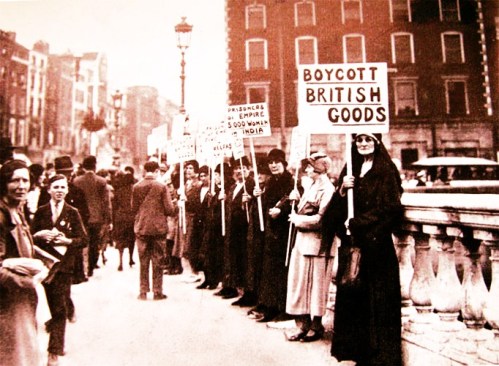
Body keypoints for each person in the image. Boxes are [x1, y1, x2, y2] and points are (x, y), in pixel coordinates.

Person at [326, 133, 403, 365]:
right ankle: (357, 352)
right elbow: (335, 213)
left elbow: (391, 208)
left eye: (368, 140)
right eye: (359, 140)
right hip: (356, 245)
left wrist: (361, 224)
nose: (363, 144)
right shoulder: (351, 169)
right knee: (355, 297)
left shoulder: (386, 170)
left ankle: (380, 357)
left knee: (378, 300)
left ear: (377, 143)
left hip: (376, 245)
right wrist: (342, 191)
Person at [31, 174, 88, 366]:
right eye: (56, 187)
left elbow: (83, 239)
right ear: (48, 190)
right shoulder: (41, 212)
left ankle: (53, 351)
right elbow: (29, 237)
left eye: (63, 187)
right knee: (43, 307)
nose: (59, 191)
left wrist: (67, 241)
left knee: (59, 309)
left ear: (67, 190)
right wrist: (38, 235)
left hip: (64, 267)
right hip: (45, 268)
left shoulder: (73, 213)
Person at [284, 152, 335, 342]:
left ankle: (316, 325)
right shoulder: (311, 186)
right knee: (300, 286)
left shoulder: (327, 189)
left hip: (318, 245)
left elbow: (322, 220)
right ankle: (302, 324)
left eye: (310, 166)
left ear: (320, 169)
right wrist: (296, 202)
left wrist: (298, 220)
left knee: (316, 287)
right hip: (303, 244)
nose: (306, 169)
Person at [0, 159, 46, 366]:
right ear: (4, 184)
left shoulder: (16, 210)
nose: (21, 186)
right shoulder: (1, 215)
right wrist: (27, 282)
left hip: (20, 299)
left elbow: (21, 247)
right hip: (7, 300)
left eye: (25, 181)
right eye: (15, 181)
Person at [248, 149, 295, 324]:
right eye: (270, 162)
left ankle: (283, 308)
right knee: (270, 271)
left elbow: (294, 203)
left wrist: (281, 211)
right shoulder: (272, 183)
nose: (273, 165)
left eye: (276, 162)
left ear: (284, 163)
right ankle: (270, 306)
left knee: (282, 271)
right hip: (271, 233)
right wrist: (258, 197)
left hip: (284, 233)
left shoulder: (291, 181)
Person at [131, 160, 174, 300]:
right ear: (156, 171)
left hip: (142, 227)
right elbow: (169, 209)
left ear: (145, 170)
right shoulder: (161, 186)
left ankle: (143, 291)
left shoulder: (136, 186)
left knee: (143, 260)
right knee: (158, 260)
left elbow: (133, 208)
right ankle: (157, 291)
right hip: (158, 228)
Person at [215, 156, 255, 300]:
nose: (239, 171)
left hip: (244, 228)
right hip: (232, 227)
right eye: (237, 168)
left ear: (248, 169)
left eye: (242, 168)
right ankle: (231, 286)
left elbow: (253, 205)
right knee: (232, 258)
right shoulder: (233, 187)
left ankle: (244, 291)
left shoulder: (251, 185)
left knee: (243, 259)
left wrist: (249, 200)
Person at [73, 155, 112, 277]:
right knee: (95, 243)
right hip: (97, 218)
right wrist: (109, 219)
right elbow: (107, 202)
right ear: (95, 166)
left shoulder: (77, 181)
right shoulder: (101, 181)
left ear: (83, 167)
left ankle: (82, 268)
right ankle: (90, 268)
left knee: (82, 243)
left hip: (81, 217)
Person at [113, 170, 136, 271]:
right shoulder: (135, 191)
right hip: (132, 218)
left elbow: (114, 207)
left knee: (120, 240)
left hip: (121, 218)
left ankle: (120, 261)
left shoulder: (119, 191)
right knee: (131, 240)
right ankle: (131, 258)